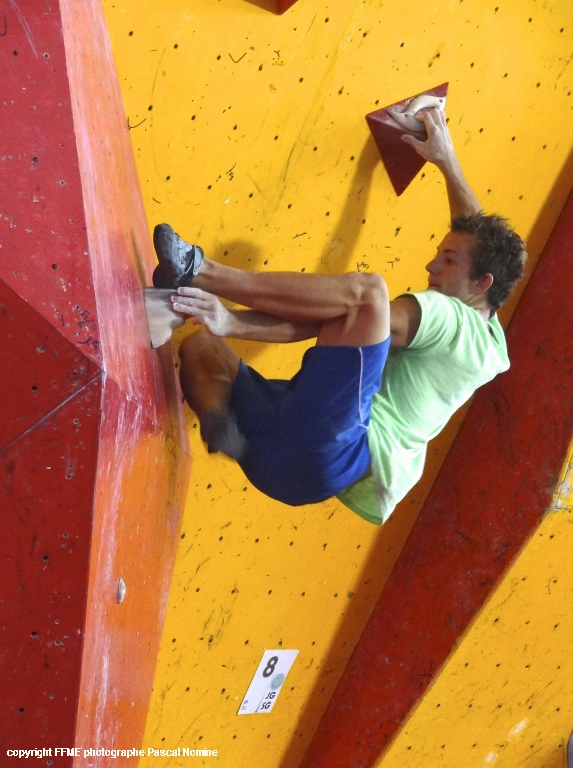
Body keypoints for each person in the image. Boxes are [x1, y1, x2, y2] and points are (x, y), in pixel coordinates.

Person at [151, 109, 526, 524]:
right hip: (298, 471)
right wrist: (446, 160)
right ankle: (219, 421)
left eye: (448, 260)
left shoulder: (449, 317)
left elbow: (352, 311)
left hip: (336, 445)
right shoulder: (489, 340)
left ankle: (200, 270)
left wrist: (234, 321)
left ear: (481, 283)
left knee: (369, 294)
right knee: (201, 347)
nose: (431, 266)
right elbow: (481, 245)